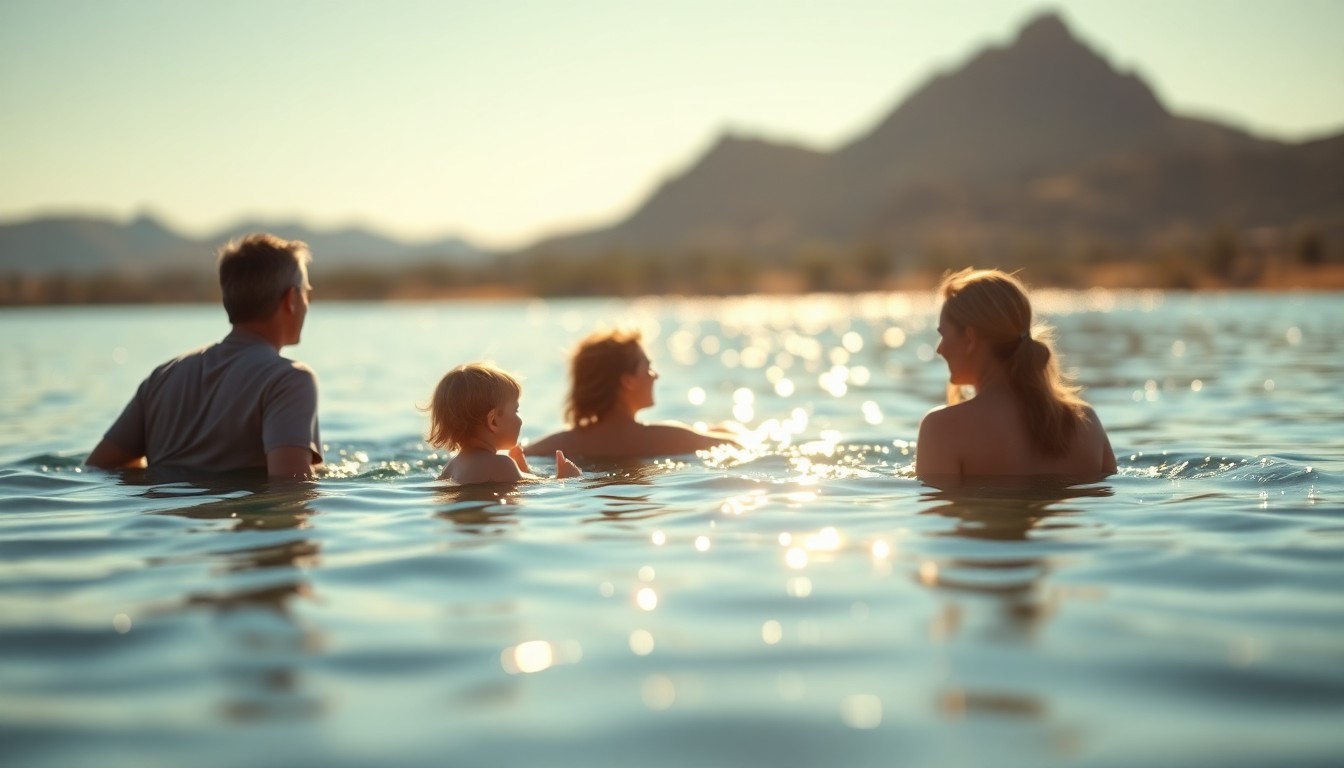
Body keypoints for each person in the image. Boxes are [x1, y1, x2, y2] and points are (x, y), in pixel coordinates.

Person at [85, 234, 322, 479]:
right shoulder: (289, 380)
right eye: (307, 294)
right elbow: (290, 490)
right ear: (291, 300)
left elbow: (98, 467)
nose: (307, 303)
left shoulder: (163, 377)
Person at [916, 268, 1116, 486]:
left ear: (970, 338)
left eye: (943, 334)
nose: (939, 349)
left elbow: (938, 516)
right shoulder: (1086, 423)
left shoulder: (942, 429)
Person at [526, 329, 739, 459]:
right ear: (627, 381)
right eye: (647, 368)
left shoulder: (557, 446)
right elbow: (736, 445)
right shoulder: (666, 438)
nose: (655, 376)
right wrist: (728, 429)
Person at [428, 362, 582, 484]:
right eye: (516, 411)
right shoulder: (501, 464)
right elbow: (541, 487)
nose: (520, 419)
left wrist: (522, 470)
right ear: (493, 421)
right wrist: (566, 478)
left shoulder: (452, 465)